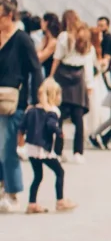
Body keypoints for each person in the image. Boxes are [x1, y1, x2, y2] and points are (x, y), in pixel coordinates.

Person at [0, 0, 44, 213]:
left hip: (13, 101)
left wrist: (35, 101)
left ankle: (13, 192)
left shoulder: (22, 39)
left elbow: (36, 69)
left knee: (7, 147)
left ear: (9, 16)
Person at [22, 79, 75, 214]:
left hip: (31, 148)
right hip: (44, 149)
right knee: (60, 172)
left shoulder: (31, 110)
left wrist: (20, 143)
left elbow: (22, 127)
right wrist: (59, 133)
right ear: (54, 95)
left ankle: (32, 203)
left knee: (37, 176)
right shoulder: (52, 111)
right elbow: (51, 125)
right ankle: (60, 200)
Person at [50, 11, 95, 164]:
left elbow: (57, 58)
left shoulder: (64, 36)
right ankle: (78, 152)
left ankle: (58, 150)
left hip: (63, 75)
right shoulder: (86, 37)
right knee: (78, 117)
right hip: (79, 77)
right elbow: (88, 62)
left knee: (59, 117)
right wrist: (89, 84)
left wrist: (50, 77)